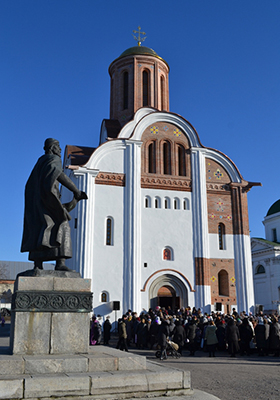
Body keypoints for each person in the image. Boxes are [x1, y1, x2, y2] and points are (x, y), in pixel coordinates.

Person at [21, 138, 87, 271]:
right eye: (57, 147)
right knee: (62, 223)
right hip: (47, 199)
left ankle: (38, 264)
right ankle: (60, 263)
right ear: (51, 148)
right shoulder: (53, 159)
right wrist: (76, 191)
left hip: (38, 202)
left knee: (40, 227)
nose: (60, 150)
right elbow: (60, 175)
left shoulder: (40, 162)